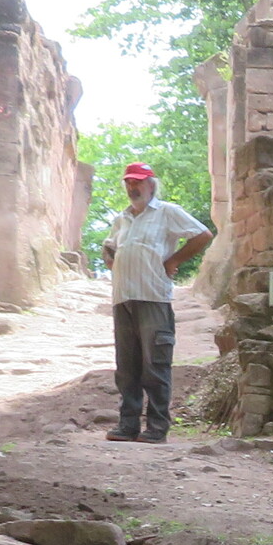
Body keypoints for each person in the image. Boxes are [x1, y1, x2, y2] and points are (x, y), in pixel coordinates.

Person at [99, 162, 211, 443]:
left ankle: (157, 428)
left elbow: (203, 235)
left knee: (156, 365)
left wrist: (174, 260)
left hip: (153, 297)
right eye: (128, 182)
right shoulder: (122, 218)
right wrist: (111, 258)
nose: (132, 187)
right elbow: (109, 245)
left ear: (151, 185)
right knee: (127, 368)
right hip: (123, 298)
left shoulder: (166, 211)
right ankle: (127, 426)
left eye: (138, 182)